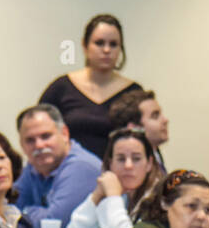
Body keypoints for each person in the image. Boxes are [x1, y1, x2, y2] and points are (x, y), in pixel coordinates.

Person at [38, 14, 142, 158]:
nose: (107, 50)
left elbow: (145, 140)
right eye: (99, 43)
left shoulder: (134, 93)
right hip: (68, 169)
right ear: (85, 46)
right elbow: (37, 132)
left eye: (113, 44)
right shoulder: (61, 88)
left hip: (120, 170)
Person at [64, 126, 157, 228]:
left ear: (149, 164)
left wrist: (113, 196)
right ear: (110, 164)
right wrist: (96, 197)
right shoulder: (119, 197)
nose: (128, 165)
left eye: (136, 159)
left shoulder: (158, 200)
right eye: (121, 159)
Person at [13, 104, 102, 228]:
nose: (39, 145)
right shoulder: (34, 166)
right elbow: (6, 210)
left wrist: (25, 211)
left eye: (46, 136)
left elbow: (56, 226)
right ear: (21, 145)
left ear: (64, 134)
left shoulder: (82, 167)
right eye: (30, 140)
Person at [108, 88, 170, 177]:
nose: (165, 120)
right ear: (134, 128)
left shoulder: (156, 157)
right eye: (155, 116)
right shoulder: (129, 172)